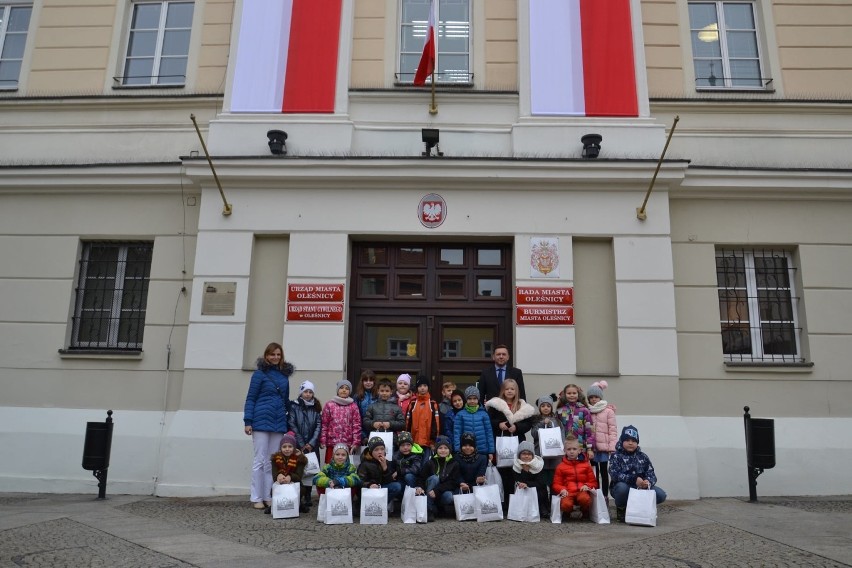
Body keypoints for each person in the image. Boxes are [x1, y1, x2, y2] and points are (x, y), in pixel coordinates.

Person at [243, 342, 294, 510]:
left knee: (273, 462)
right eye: (272, 354)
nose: (275, 357)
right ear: (266, 356)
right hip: (260, 421)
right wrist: (248, 421)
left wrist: (291, 420)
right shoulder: (259, 375)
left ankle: (268, 496)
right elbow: (251, 398)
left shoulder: (284, 376)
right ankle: (256, 497)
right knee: (259, 460)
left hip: (278, 422)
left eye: (278, 354)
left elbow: (286, 401)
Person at [485, 377, 536, 502]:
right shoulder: (495, 405)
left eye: (512, 389)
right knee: (502, 474)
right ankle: (503, 503)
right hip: (501, 443)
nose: (509, 391)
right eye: (507, 389)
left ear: (516, 391)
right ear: (502, 390)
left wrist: (517, 427)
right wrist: (499, 424)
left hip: (517, 442)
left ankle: (515, 502)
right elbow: (489, 420)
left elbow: (528, 424)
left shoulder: (522, 406)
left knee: (516, 472)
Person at [609, 425, 666, 522]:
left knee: (661, 494)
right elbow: (614, 474)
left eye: (634, 441)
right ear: (622, 441)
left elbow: (651, 473)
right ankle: (622, 509)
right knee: (622, 488)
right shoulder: (616, 456)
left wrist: (648, 482)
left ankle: (639, 509)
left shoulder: (643, 456)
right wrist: (634, 480)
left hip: (640, 488)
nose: (630, 443)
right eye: (627, 440)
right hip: (624, 488)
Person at [289, 380, 322, 511]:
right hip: (299, 445)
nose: (308, 394)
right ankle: (299, 494)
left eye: (310, 392)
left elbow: (319, 426)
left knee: (311, 470)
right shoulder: (294, 406)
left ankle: (308, 495)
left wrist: (311, 443)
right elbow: (292, 424)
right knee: (299, 470)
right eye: (305, 391)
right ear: (301, 392)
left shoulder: (316, 407)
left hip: (312, 446)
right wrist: (302, 444)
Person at [552, 435, 598, 520]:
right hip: (568, 492)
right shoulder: (560, 467)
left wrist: (587, 485)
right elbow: (556, 484)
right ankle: (567, 512)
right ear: (564, 451)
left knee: (584, 499)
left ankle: (585, 511)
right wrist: (562, 489)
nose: (571, 452)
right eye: (569, 449)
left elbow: (594, 482)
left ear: (580, 450)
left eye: (574, 449)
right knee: (566, 504)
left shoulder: (586, 465)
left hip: (582, 491)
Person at [586, 380, 617, 500]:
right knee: (594, 472)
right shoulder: (587, 410)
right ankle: (596, 495)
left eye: (596, 397)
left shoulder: (608, 411)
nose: (594, 399)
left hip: (603, 448)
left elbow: (612, 429)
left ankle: (604, 495)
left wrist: (612, 446)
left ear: (600, 397)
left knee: (604, 473)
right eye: (591, 397)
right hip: (592, 448)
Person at [417, 435, 459, 521]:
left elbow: (453, 482)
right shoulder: (430, 462)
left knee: (449, 496)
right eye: (440, 448)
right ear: (436, 449)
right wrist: (419, 487)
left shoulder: (454, 463)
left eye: (445, 448)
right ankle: (429, 510)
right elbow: (421, 477)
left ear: (449, 450)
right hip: (429, 490)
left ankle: (439, 507)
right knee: (434, 478)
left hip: (441, 491)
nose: (443, 450)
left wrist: (437, 490)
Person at [319, 379, 361, 465]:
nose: (344, 390)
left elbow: (357, 425)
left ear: (350, 391)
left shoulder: (353, 406)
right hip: (332, 443)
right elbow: (324, 424)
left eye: (347, 388)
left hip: (347, 444)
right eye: (341, 388)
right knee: (330, 467)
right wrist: (323, 440)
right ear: (338, 390)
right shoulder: (329, 405)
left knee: (345, 467)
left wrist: (356, 442)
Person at [357, 436, 403, 512]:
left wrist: (385, 468)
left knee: (397, 486)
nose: (380, 452)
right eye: (376, 450)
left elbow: (389, 481)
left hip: (380, 488)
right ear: (371, 452)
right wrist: (369, 485)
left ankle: (381, 506)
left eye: (382, 449)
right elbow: (359, 481)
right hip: (369, 490)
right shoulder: (365, 464)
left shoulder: (386, 462)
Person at [530, 394, 564, 496]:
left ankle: (553, 506)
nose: (546, 408)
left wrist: (562, 449)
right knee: (542, 484)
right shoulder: (536, 421)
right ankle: (544, 508)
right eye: (543, 406)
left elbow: (561, 435)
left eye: (548, 406)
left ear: (551, 407)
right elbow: (534, 434)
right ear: (539, 407)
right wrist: (541, 424)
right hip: (541, 457)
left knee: (554, 483)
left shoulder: (557, 421)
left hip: (554, 459)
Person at [313, 442, 361, 510]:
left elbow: (356, 478)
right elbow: (316, 478)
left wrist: (339, 481)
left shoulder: (350, 467)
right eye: (337, 454)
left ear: (347, 456)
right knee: (319, 484)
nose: (340, 457)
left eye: (343, 455)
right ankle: (326, 506)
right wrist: (329, 482)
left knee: (354, 484)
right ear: (333, 455)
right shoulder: (328, 467)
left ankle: (348, 506)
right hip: (331, 491)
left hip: (344, 492)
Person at [268, 432, 308, 514]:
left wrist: (290, 476)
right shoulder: (275, 459)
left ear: (294, 447)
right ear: (281, 448)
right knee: (273, 489)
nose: (287, 449)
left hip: (294, 483)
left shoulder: (300, 459)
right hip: (281, 483)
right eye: (284, 446)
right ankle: (275, 505)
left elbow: (299, 476)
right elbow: (274, 475)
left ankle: (298, 504)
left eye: (290, 446)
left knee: (302, 489)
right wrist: (279, 476)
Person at [452, 386, 495, 461]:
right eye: (469, 398)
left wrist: (491, 451)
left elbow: (489, 433)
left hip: (482, 451)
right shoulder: (460, 414)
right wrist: (457, 449)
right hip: (465, 451)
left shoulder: (484, 414)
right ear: (466, 399)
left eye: (474, 398)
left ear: (478, 399)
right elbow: (457, 433)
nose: (472, 401)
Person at [512, 441, 550, 517]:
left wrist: (528, 484)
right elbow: (517, 480)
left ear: (532, 455)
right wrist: (524, 471)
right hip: (522, 488)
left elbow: (541, 483)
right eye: (524, 454)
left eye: (529, 454)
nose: (526, 456)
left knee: (541, 490)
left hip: (537, 489)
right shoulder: (516, 466)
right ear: (519, 455)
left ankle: (542, 508)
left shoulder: (538, 465)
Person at [556, 383, 594, 459]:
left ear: (578, 394)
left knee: (581, 469)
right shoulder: (560, 411)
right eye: (569, 393)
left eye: (574, 393)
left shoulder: (584, 410)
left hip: (580, 447)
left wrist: (589, 448)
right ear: (565, 395)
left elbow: (589, 430)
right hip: (566, 447)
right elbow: (557, 429)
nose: (572, 395)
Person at [405, 376, 441, 450]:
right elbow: (407, 422)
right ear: (417, 388)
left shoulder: (433, 403)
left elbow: (436, 423)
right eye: (420, 386)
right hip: (414, 442)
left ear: (428, 387)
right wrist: (407, 440)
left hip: (429, 443)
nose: (422, 388)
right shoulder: (412, 403)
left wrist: (433, 440)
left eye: (425, 385)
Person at [354, 369, 378, 444]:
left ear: (374, 382)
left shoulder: (378, 396)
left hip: (375, 430)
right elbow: (356, 417)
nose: (368, 383)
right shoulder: (357, 396)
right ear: (362, 382)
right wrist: (362, 435)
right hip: (361, 431)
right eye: (365, 380)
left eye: (370, 380)